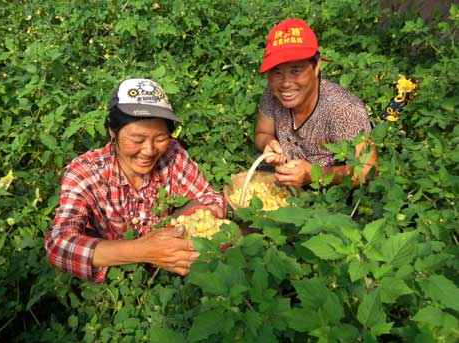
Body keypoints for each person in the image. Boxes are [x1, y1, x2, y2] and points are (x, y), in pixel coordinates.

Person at [45, 78, 227, 283]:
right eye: (137, 140)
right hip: (121, 278)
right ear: (112, 132)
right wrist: (143, 250)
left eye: (160, 139)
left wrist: (205, 216)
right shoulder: (86, 173)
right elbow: (59, 244)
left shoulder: (172, 154)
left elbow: (210, 197)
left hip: (173, 275)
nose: (149, 151)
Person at [255, 19, 377, 188]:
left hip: (331, 194)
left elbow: (368, 169)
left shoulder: (343, 109)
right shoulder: (272, 93)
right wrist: (268, 143)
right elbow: (262, 132)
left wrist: (314, 174)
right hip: (288, 182)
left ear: (317, 66)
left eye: (295, 71)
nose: (285, 83)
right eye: (277, 72)